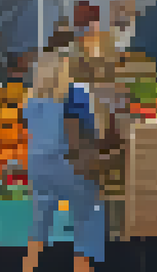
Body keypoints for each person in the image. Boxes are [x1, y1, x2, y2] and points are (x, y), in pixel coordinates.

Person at [22, 51, 106, 272]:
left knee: (39, 219)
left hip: (38, 169)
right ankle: (82, 266)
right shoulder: (75, 94)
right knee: (89, 212)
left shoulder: (30, 100)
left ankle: (29, 265)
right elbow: (91, 131)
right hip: (68, 165)